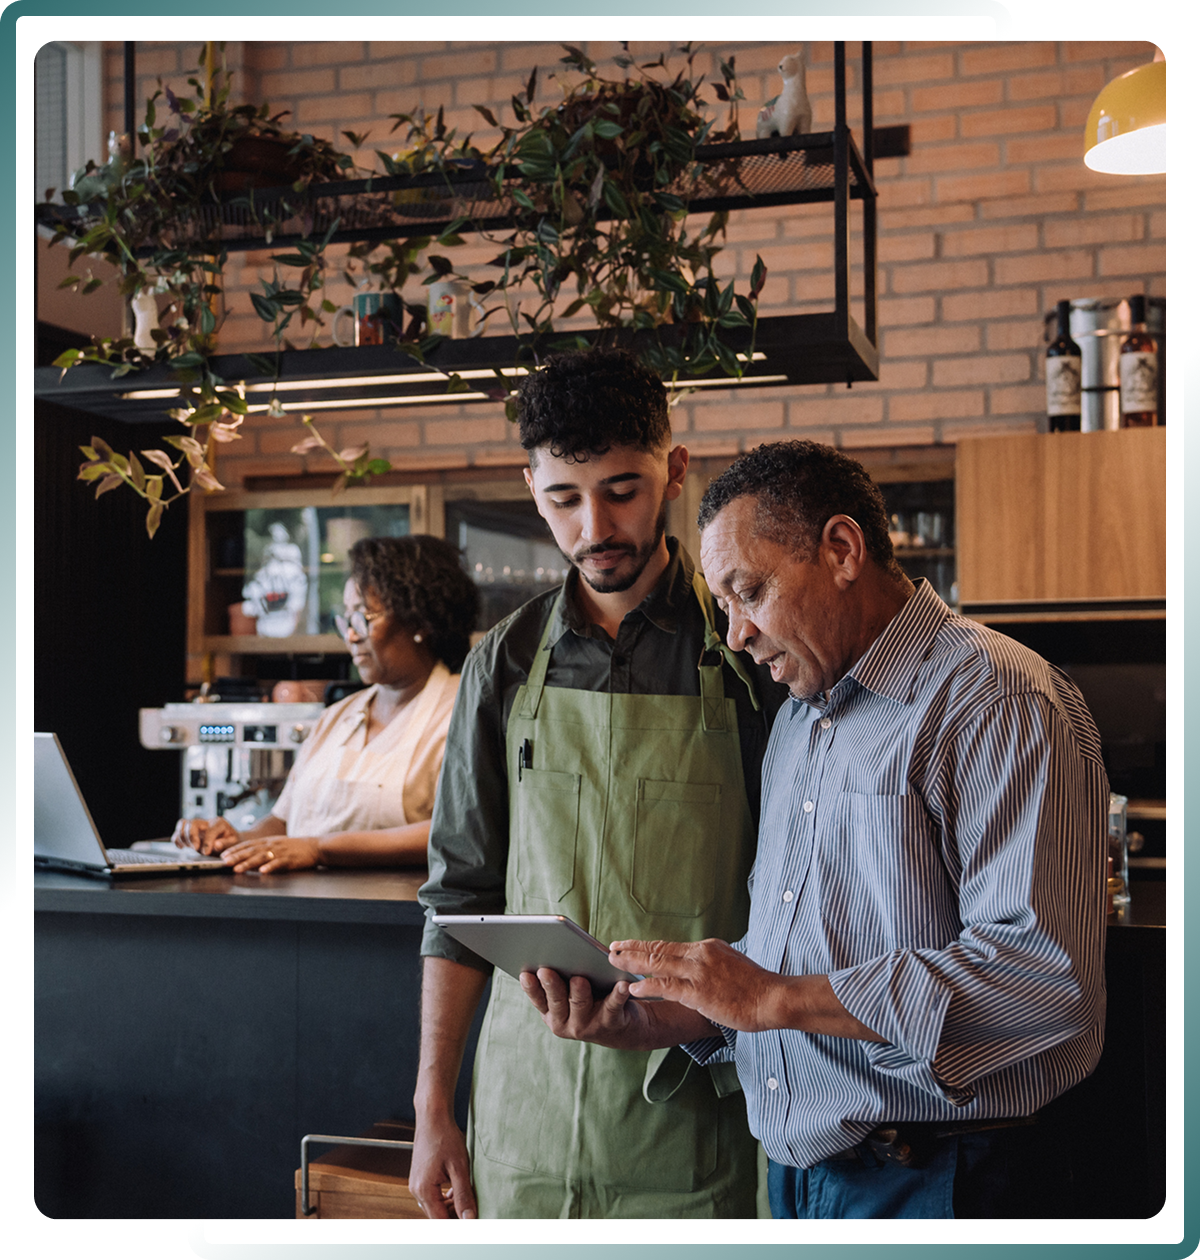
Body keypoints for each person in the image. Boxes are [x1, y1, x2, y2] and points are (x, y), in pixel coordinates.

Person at [522, 439, 1109, 1224]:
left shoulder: (994, 699)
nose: (736, 634)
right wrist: (676, 1013)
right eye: (723, 605)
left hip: (938, 1178)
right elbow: (806, 965)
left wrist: (771, 997)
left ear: (841, 550)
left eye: (750, 592)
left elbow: (1042, 980)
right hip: (807, 1181)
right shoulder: (802, 717)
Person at [412, 348, 784, 1222]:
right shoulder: (503, 661)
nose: (594, 527)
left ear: (674, 472)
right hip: (528, 1100)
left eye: (621, 491)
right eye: (563, 499)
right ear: (530, 488)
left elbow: (799, 895)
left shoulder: (747, 650)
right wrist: (432, 1104)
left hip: (698, 1099)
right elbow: (460, 895)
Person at [173, 535, 479, 873]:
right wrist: (234, 840)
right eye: (346, 620)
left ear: (420, 620)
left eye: (364, 617)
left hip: (395, 904)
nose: (351, 635)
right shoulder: (337, 716)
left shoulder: (464, 712)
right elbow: (282, 822)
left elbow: (457, 833)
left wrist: (320, 849)